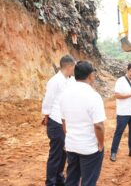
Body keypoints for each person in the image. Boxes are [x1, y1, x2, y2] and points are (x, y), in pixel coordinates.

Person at [60, 61, 106, 186]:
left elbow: (63, 121)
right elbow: (98, 125)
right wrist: (101, 144)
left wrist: (70, 136)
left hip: (71, 144)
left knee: (71, 179)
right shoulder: (93, 96)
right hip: (89, 148)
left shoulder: (65, 94)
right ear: (90, 75)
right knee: (88, 182)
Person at [41, 55, 76, 186]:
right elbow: (48, 101)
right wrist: (46, 118)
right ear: (69, 66)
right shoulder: (55, 81)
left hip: (67, 122)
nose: (75, 69)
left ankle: (60, 179)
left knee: (64, 153)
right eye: (74, 66)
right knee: (55, 155)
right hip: (56, 121)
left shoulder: (71, 80)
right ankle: (50, 183)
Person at [110, 63, 131, 162]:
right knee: (119, 132)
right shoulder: (120, 81)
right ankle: (113, 152)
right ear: (127, 70)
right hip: (123, 111)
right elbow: (117, 95)